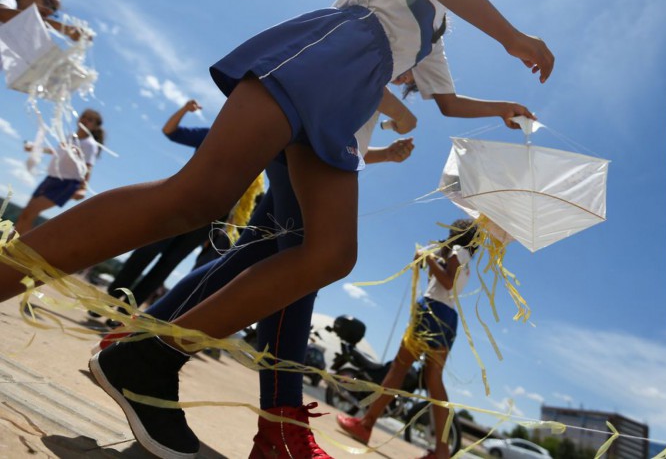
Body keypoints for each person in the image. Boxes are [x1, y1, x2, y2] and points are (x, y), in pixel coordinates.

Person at [0, 0, 553, 457]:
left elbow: (449, 103)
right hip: (335, 49)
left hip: (354, 97)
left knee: (329, 254)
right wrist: (513, 37)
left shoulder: (434, 34)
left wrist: (503, 105)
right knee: (199, 197)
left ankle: (148, 359)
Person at [94, 88, 417, 458]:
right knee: (305, 263)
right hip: (308, 132)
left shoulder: (395, 66)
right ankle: (279, 428)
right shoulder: (399, 49)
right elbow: (367, 77)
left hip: (317, 141)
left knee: (243, 260)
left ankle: (134, 341)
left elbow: (352, 142)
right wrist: (407, 115)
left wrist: (387, 153)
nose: (414, 79)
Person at [337, 219, 478, 459]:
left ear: (457, 233)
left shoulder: (457, 251)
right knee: (434, 381)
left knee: (398, 369)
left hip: (432, 313)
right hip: (448, 318)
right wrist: (432, 262)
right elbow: (447, 282)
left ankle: (367, 424)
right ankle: (442, 451)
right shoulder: (465, 259)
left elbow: (445, 281)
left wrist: (428, 258)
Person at [91, 100, 229, 328]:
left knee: (167, 265)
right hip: (182, 202)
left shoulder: (254, 149)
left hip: (210, 217)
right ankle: (109, 301)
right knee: (146, 251)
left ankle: (127, 315)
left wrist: (222, 227)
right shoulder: (210, 136)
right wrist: (185, 109)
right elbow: (170, 131)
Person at [14, 109, 104, 234]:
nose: (85, 120)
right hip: (50, 178)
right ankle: (9, 246)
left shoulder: (90, 145)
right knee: (25, 213)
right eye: (84, 116)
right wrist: (35, 148)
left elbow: (88, 166)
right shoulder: (70, 136)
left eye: (90, 119)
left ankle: (18, 250)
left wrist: (83, 188)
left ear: (95, 126)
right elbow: (56, 151)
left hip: (67, 184)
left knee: (30, 212)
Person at [0, 0, 83, 41]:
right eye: (47, 2)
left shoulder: (22, 34)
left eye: (53, 10)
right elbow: (2, 13)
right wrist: (63, 28)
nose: (50, 11)